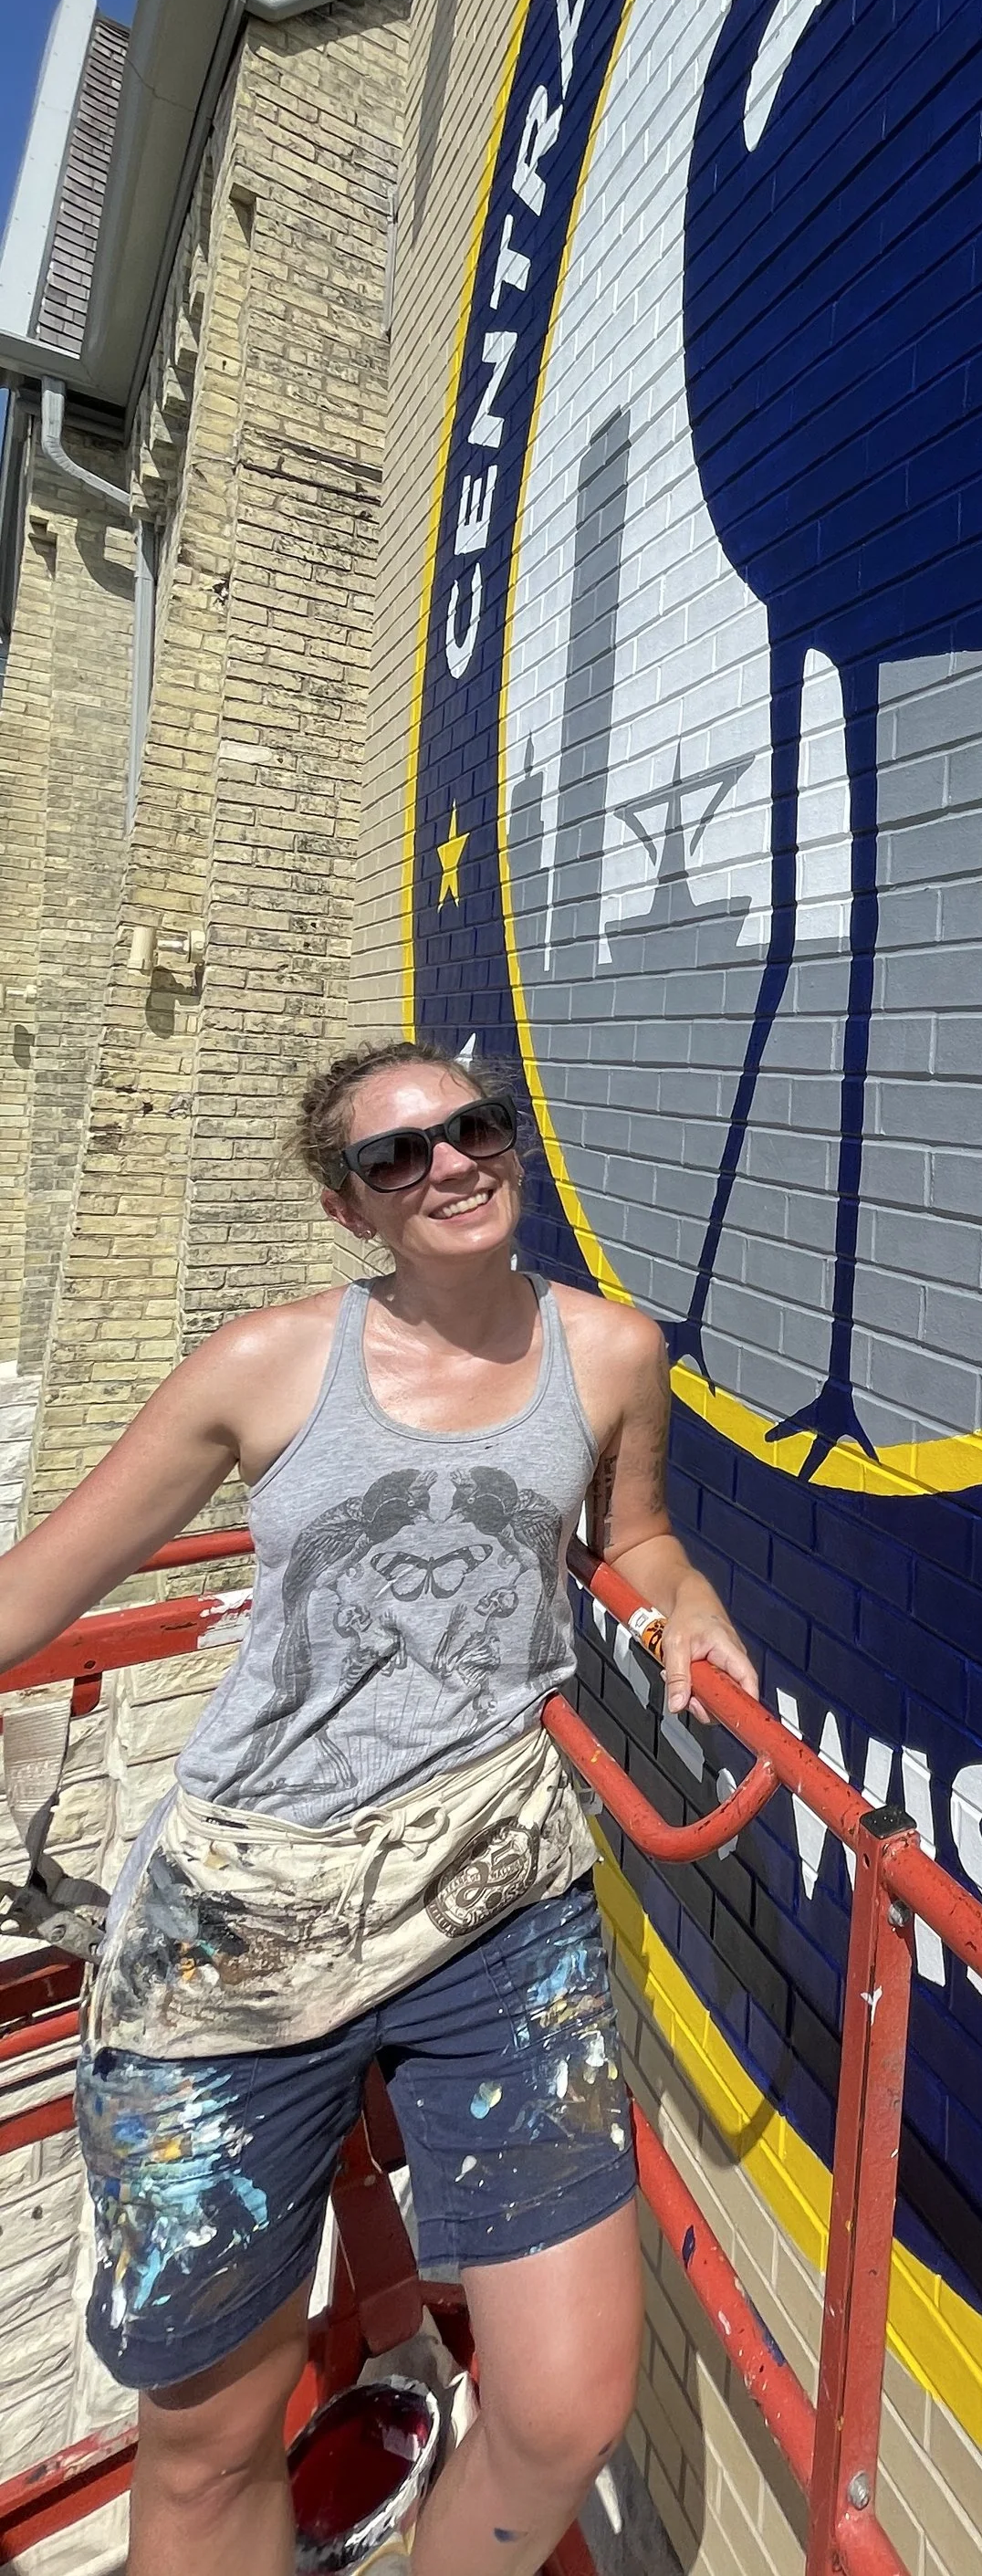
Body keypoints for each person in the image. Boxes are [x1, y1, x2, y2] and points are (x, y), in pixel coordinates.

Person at [0, 1040, 758, 2576]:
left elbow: (640, 1537)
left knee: (562, 2411)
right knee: (212, 2446)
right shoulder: (264, 1365)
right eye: (394, 1157)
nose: (447, 1167)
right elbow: (32, 1596)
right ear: (348, 1208)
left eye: (469, 1130)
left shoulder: (611, 1349)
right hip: (238, 1927)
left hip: (498, 1888)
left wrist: (687, 1606)